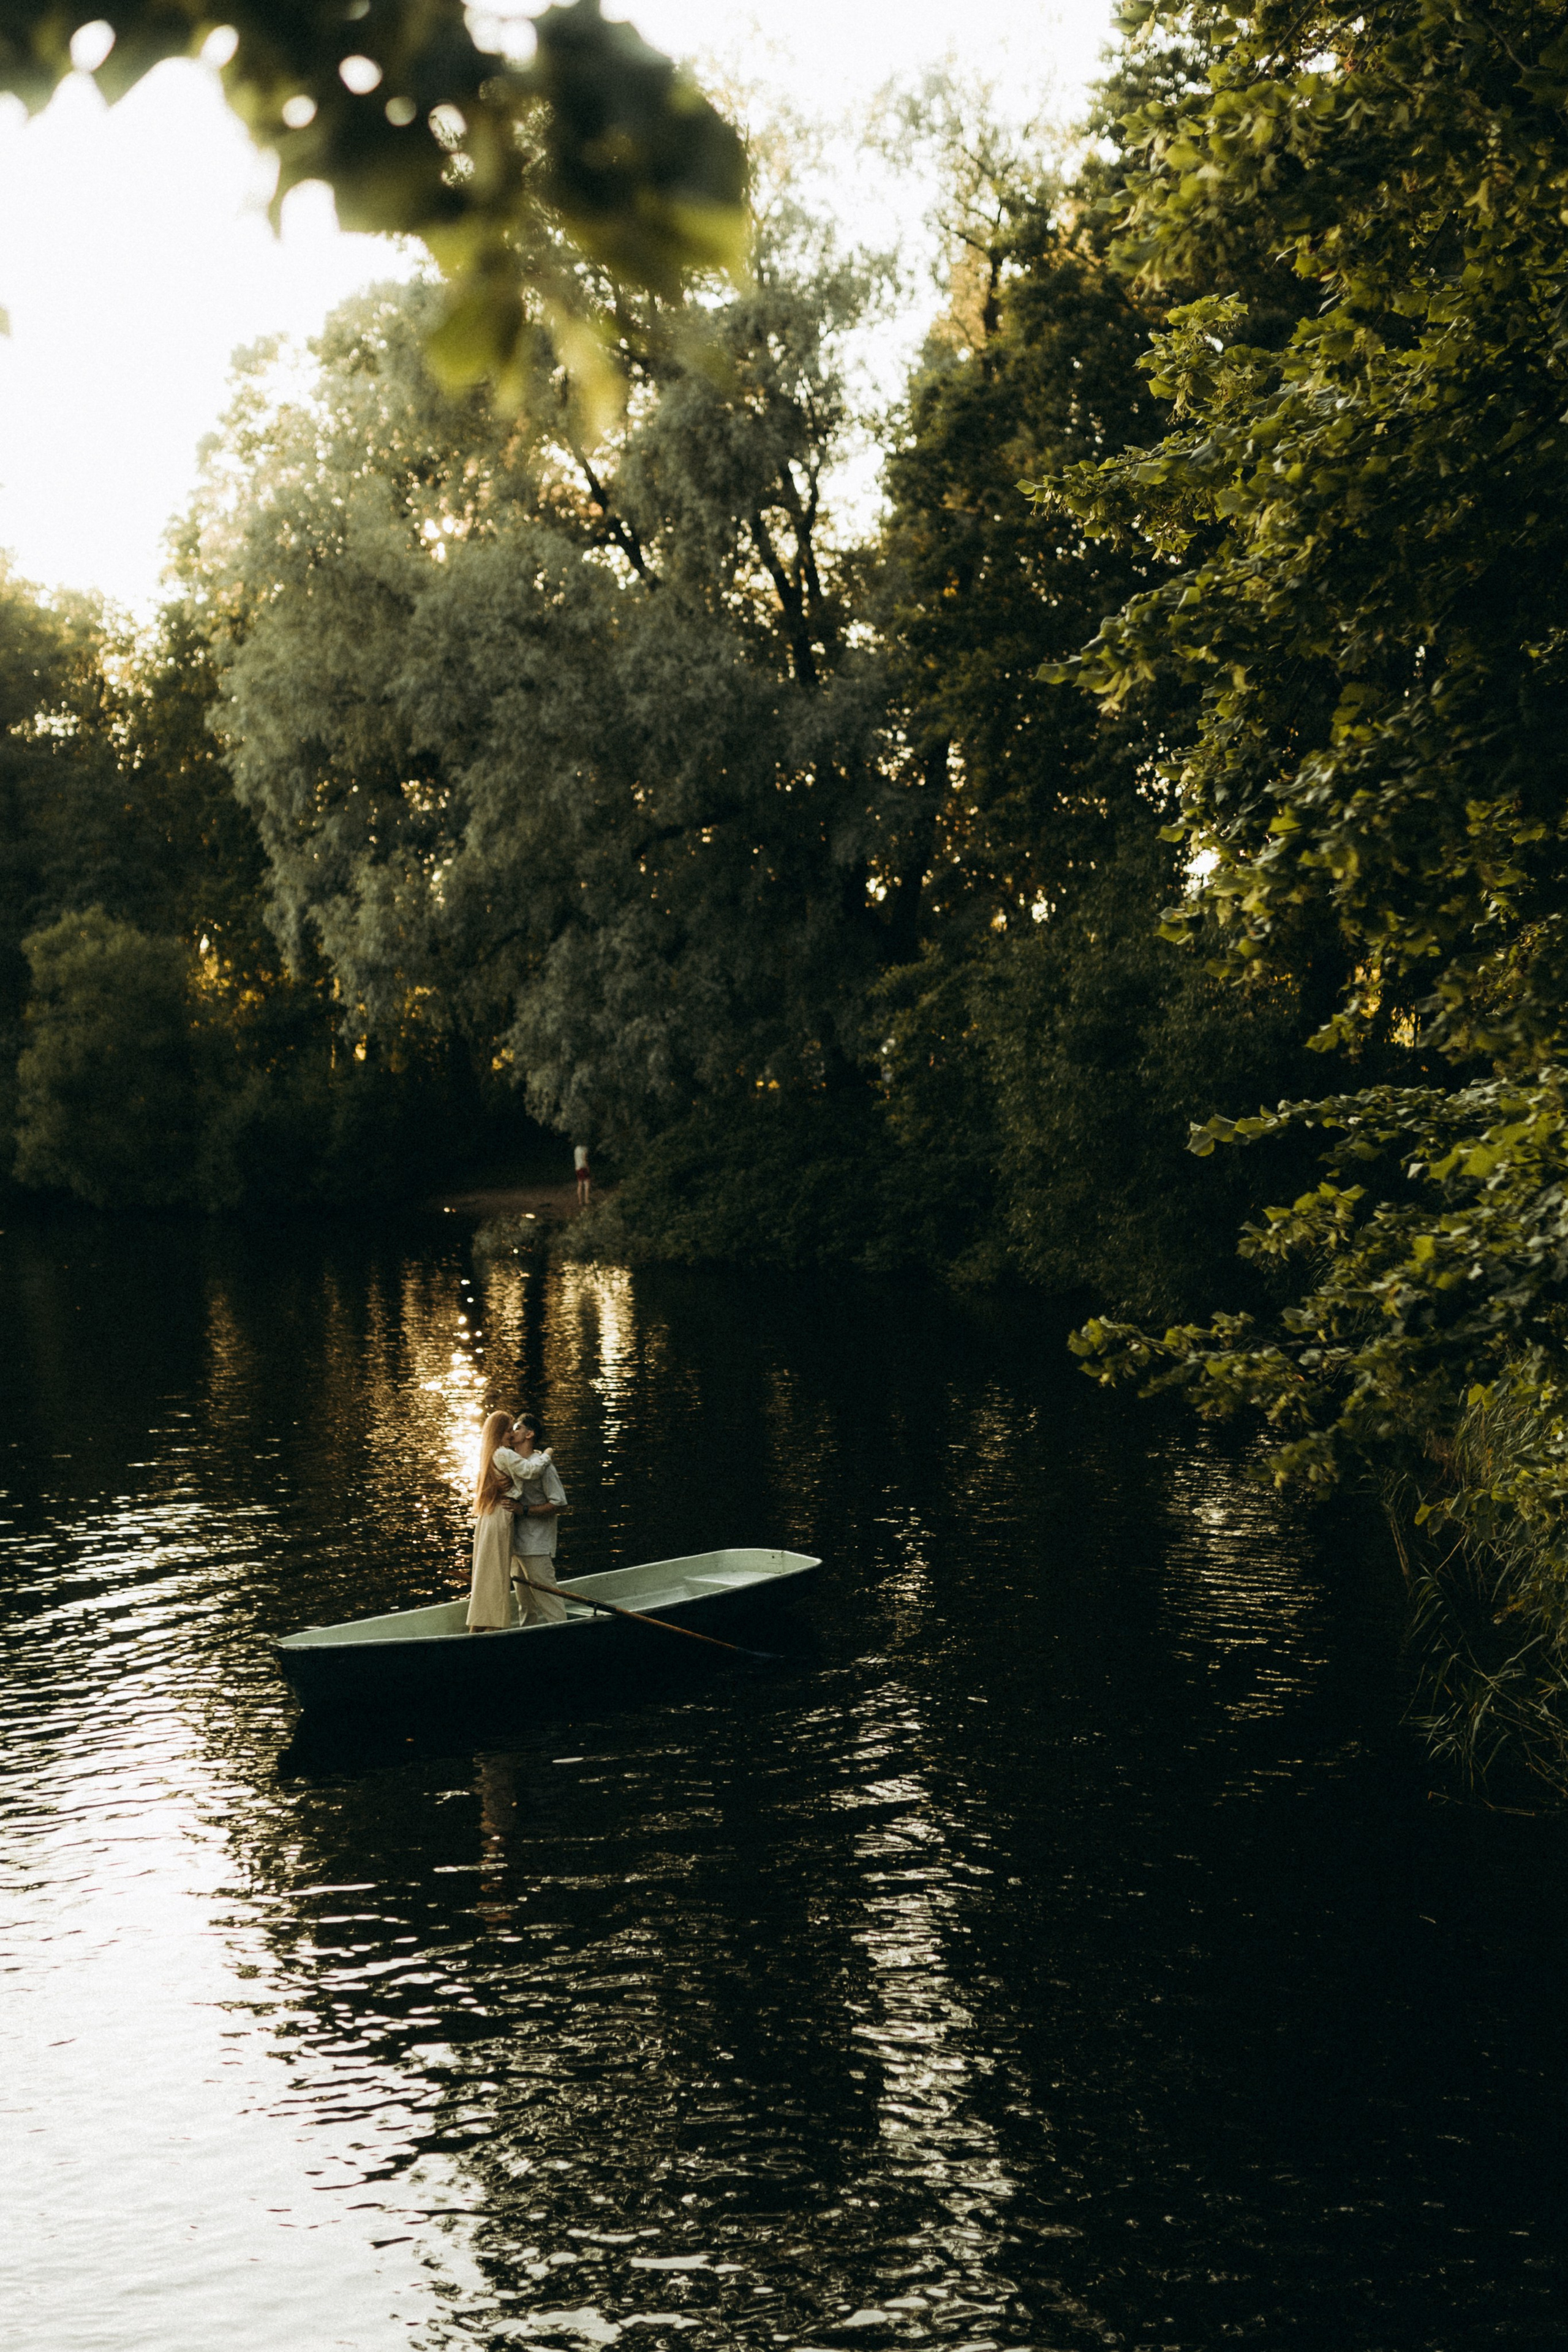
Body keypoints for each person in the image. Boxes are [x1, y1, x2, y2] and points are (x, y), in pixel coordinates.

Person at [507, 1411, 569, 1623]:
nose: (512, 1432)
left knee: (549, 1599)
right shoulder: (513, 1462)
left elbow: (559, 1503)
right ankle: (528, 1639)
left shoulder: (544, 1466)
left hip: (536, 1544)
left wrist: (523, 1510)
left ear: (529, 1434)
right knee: (524, 1605)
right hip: (515, 1544)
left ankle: (564, 1636)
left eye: (518, 1428)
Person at [467, 1409, 521, 1631]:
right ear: (499, 1433)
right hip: (499, 1517)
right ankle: (494, 1627)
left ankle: (478, 1626)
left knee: (485, 1572)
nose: (512, 1435)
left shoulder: (488, 1456)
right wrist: (544, 1454)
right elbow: (529, 1472)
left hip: (487, 1517)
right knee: (497, 1573)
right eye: (509, 1430)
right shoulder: (503, 1455)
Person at [573, 1143, 591, 1208]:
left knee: (580, 1184)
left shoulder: (576, 1149)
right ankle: (587, 1200)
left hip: (577, 1168)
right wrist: (587, 1167)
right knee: (587, 1184)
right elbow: (584, 1159)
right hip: (583, 1168)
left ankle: (580, 1201)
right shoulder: (585, 1149)